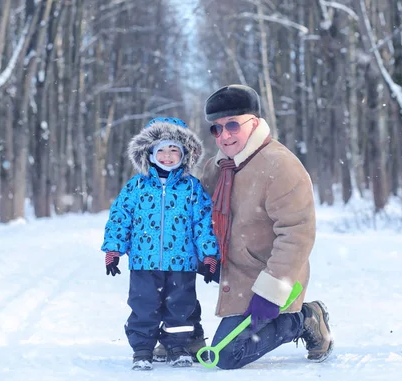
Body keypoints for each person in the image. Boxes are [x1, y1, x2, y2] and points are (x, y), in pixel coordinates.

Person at [199, 84, 334, 369]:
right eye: (216, 129)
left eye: (233, 125)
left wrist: (272, 291)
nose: (224, 135)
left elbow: (297, 233)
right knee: (225, 351)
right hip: (236, 278)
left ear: (255, 122)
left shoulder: (280, 165)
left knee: (226, 356)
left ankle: (304, 319)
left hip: (274, 277)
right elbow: (199, 215)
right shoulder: (216, 168)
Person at [101, 117, 220, 371]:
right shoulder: (136, 186)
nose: (167, 156)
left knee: (181, 306)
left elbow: (203, 223)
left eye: (174, 149)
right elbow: (120, 217)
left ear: (184, 154)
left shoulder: (191, 188)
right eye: (161, 150)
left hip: (182, 262)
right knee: (143, 305)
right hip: (144, 261)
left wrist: (209, 255)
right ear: (149, 153)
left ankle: (178, 346)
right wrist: (113, 249)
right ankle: (142, 348)